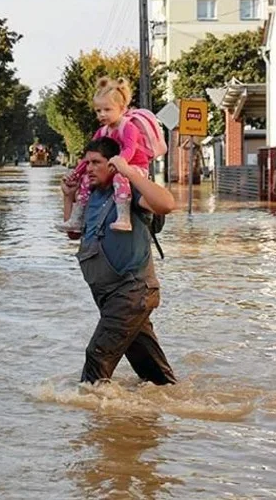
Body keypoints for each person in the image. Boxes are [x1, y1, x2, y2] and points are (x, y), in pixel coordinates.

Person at [61, 136, 177, 386]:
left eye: (96, 162)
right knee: (152, 373)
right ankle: (170, 408)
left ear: (113, 164)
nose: (89, 168)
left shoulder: (127, 194)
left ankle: (93, 414)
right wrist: (68, 197)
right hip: (108, 296)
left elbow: (167, 204)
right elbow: (73, 233)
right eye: (87, 163)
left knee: (97, 355)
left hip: (132, 292)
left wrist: (130, 173)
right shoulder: (90, 196)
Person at [58, 77, 154, 234]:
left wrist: (120, 164)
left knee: (119, 177)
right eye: (98, 111)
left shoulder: (128, 127)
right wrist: (77, 173)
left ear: (122, 109)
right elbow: (87, 158)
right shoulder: (102, 132)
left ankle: (123, 217)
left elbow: (129, 149)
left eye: (107, 110)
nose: (102, 114)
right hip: (115, 168)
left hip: (135, 168)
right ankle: (77, 218)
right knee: (86, 180)